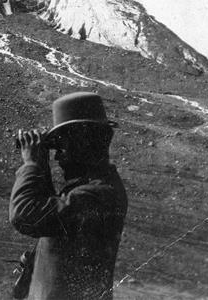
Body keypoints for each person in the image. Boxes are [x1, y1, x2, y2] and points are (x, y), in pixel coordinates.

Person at [9, 92, 128, 300]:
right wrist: (41, 166)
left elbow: (24, 215)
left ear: (84, 141)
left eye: (62, 147)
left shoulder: (98, 195)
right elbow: (49, 219)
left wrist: (31, 165)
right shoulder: (93, 189)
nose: (57, 157)